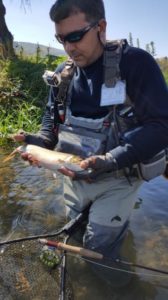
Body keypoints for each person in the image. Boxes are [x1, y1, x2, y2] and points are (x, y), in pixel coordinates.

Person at [13, 0, 168, 282]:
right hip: (73, 173)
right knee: (76, 233)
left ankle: (122, 288)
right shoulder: (64, 73)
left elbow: (160, 126)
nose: (69, 47)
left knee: (99, 251)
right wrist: (38, 141)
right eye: (61, 39)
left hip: (119, 177)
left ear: (101, 27)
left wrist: (110, 160)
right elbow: (52, 123)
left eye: (75, 36)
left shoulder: (135, 64)